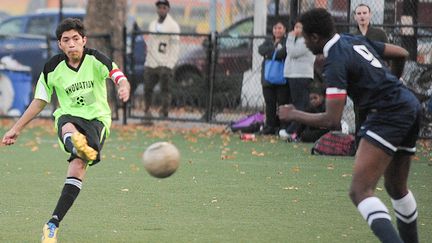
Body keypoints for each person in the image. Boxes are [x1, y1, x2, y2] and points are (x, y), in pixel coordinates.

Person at [279, 8, 420, 243]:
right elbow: (401, 53)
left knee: (359, 191)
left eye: (304, 37)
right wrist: (394, 82)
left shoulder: (334, 60)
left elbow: (331, 119)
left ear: (315, 38)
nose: (303, 41)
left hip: (388, 113)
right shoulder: (353, 40)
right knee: (396, 187)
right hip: (409, 105)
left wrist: (294, 113)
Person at [1, 18, 131, 242]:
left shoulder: (96, 59)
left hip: (97, 120)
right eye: (66, 40)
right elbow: (39, 101)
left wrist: (123, 87)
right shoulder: (52, 67)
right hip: (69, 117)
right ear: (60, 45)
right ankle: (77, 146)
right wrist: (16, 128)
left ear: (84, 40)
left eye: (75, 39)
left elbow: (118, 76)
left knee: (77, 168)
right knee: (67, 124)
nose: (71, 44)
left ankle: (53, 222)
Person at [144, 0, 180, 118]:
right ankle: (147, 110)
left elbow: (175, 46)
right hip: (152, 62)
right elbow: (150, 43)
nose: (161, 10)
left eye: (164, 7)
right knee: (148, 88)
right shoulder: (152, 24)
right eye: (159, 7)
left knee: (165, 89)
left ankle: (164, 112)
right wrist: (148, 60)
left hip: (165, 62)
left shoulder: (173, 26)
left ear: (168, 9)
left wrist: (170, 63)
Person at [281, 20, 316, 139]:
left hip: (301, 75)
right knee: (299, 103)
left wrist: (290, 38)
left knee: (300, 104)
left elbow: (292, 52)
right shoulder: (297, 40)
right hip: (293, 75)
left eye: (300, 27)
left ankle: (292, 131)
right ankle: (299, 131)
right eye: (296, 27)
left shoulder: (306, 41)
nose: (297, 30)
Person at [258, 21, 289, 135]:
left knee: (282, 103)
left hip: (282, 79)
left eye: (280, 28)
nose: (277, 30)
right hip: (267, 79)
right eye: (275, 28)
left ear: (285, 30)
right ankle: (270, 126)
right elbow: (261, 49)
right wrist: (275, 52)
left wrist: (270, 53)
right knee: (269, 103)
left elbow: (283, 53)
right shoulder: (268, 41)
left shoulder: (287, 41)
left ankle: (283, 127)